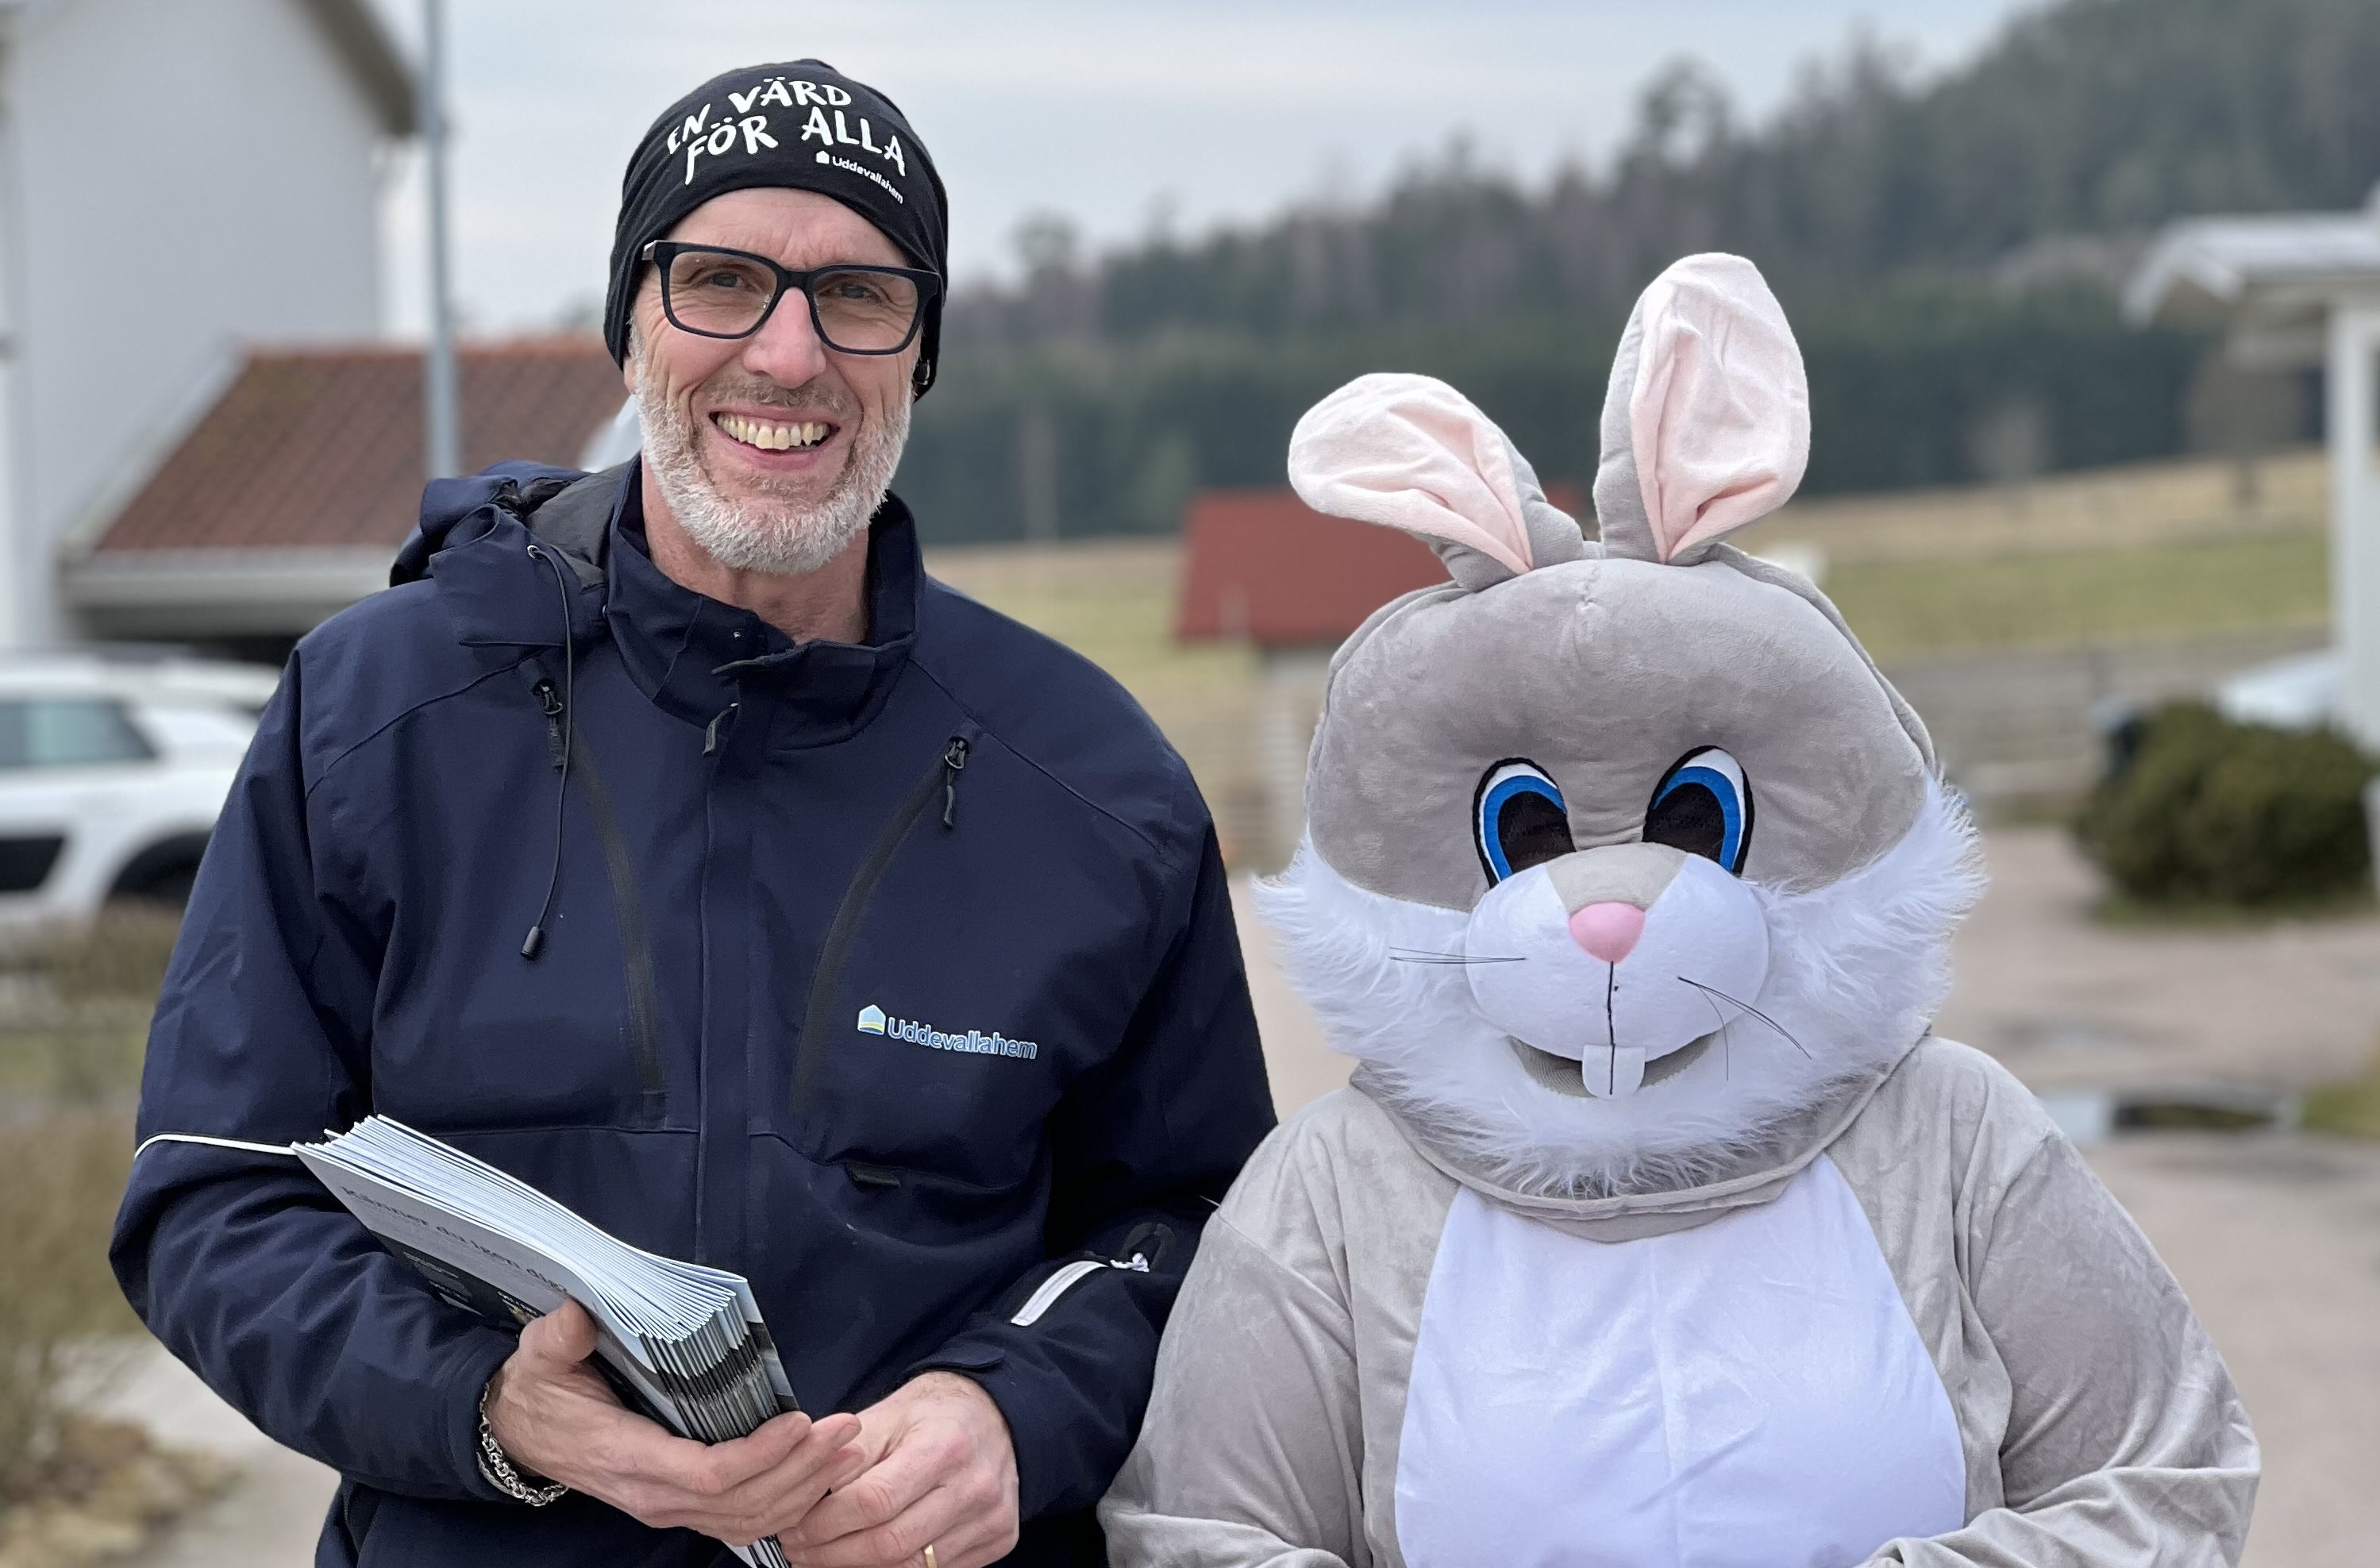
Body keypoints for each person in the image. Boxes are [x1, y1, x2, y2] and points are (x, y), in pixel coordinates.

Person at [111, 60, 1275, 1568]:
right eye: (720, 281)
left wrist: (1019, 1408)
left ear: (919, 351)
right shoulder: (375, 717)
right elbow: (215, 1191)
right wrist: (487, 1407)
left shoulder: (1091, 782)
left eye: (858, 295)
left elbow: (1206, 1225)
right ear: (632, 323)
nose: (788, 357)